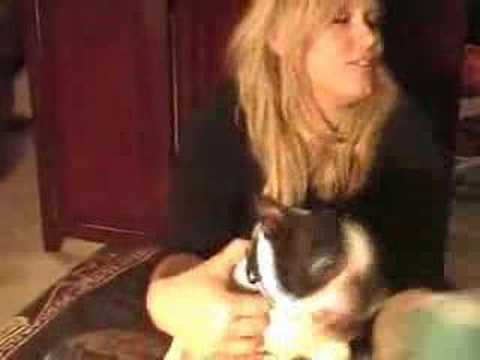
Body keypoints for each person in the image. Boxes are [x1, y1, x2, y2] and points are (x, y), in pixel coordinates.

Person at [146, 0, 452, 358]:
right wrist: (170, 301)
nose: (369, 38)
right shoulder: (223, 123)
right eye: (341, 19)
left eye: (372, 20)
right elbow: (185, 254)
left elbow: (419, 278)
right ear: (279, 35)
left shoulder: (407, 133)